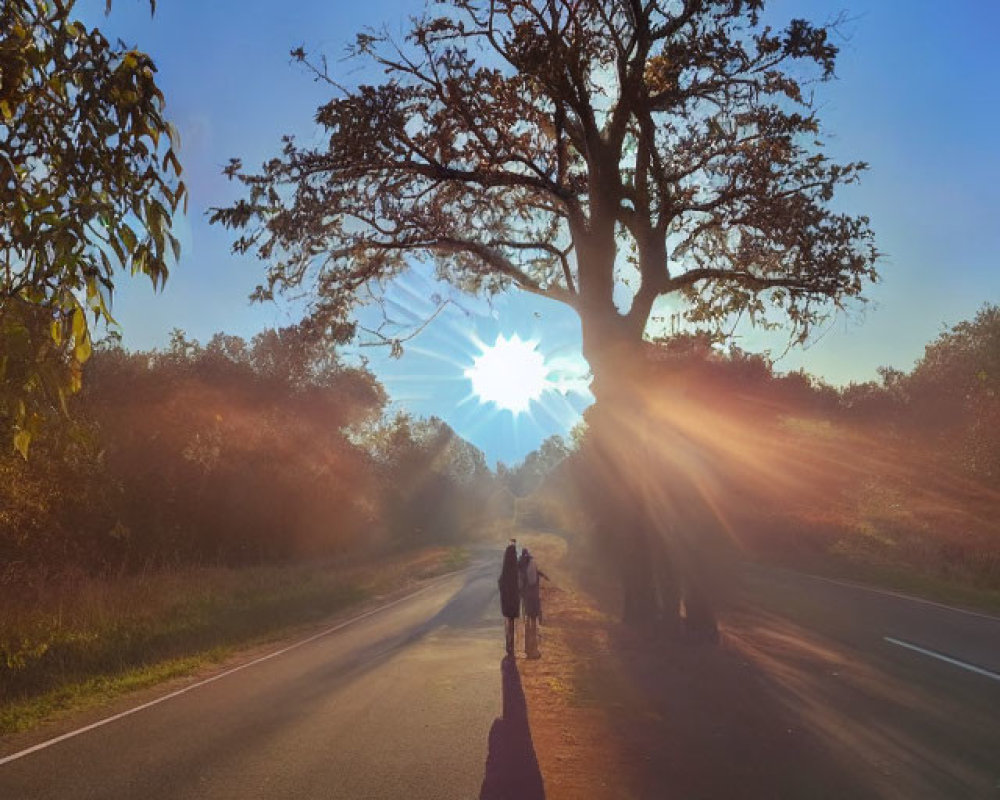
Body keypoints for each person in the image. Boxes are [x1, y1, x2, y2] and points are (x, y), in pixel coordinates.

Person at [518, 548, 548, 659]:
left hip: (525, 599)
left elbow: (519, 584)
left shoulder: (520, 566)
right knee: (533, 624)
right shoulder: (533, 565)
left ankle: (528, 650)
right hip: (534, 598)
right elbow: (534, 579)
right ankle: (534, 651)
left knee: (527, 623)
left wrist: (520, 593)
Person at [498, 539, 521, 655]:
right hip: (514, 599)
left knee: (508, 621)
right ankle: (512, 645)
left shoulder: (504, 571)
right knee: (512, 622)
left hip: (506, 599)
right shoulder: (515, 570)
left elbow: (500, 584)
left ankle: (509, 645)